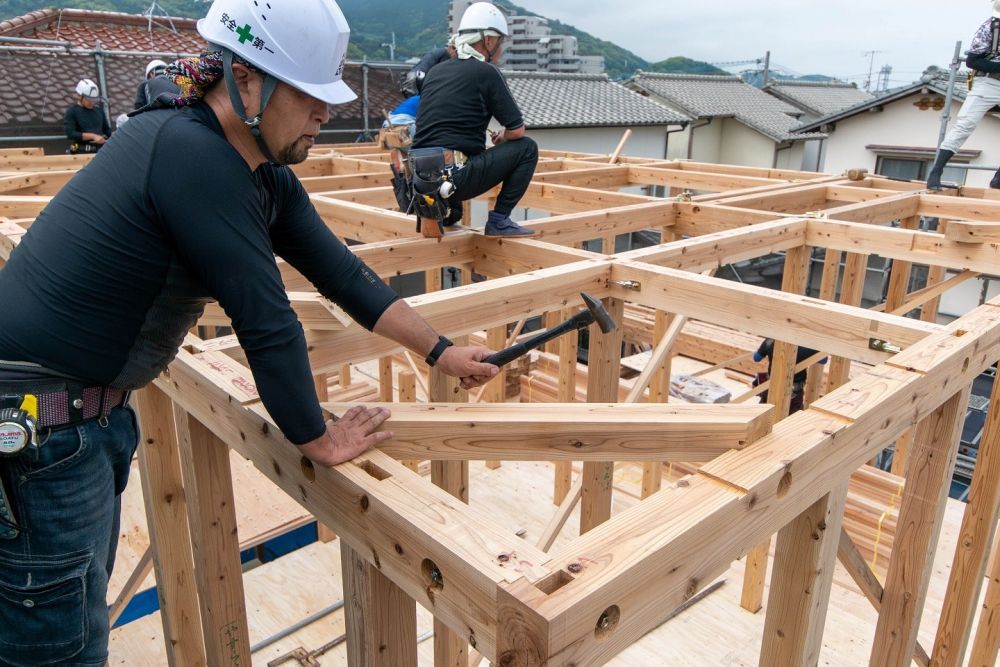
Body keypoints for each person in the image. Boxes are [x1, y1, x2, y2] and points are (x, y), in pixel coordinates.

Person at [0, 1, 498, 664]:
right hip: (42, 430)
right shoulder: (190, 152)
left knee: (77, 627)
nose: (328, 113)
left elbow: (343, 274)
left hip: (75, 423)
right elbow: (264, 316)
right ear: (246, 79)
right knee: (55, 650)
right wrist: (316, 435)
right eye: (310, 97)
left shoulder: (262, 173)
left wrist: (438, 348)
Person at [411, 1, 538, 237]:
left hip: (419, 179)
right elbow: (517, 131)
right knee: (527, 148)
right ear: (488, 40)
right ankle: (499, 220)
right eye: (500, 42)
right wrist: (504, 136)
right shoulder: (486, 72)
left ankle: (444, 211)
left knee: (456, 216)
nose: (501, 49)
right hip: (455, 176)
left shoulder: (436, 72)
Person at [927, 0, 1000, 190]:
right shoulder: (990, 28)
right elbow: (973, 61)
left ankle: (998, 179)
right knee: (965, 125)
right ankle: (935, 173)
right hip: (988, 83)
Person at [63, 78, 110, 153]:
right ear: (79, 96)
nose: (92, 102)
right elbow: (71, 133)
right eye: (89, 99)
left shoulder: (99, 111)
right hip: (81, 151)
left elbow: (107, 131)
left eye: (94, 99)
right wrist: (93, 136)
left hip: (100, 151)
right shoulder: (72, 112)